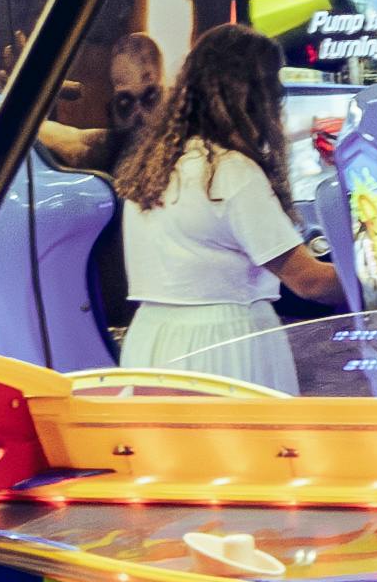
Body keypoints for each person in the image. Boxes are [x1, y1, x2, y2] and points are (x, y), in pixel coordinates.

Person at [114, 23, 343, 386]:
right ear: (253, 94)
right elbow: (310, 282)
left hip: (152, 339)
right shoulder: (230, 171)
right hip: (223, 344)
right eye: (274, 86)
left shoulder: (156, 166)